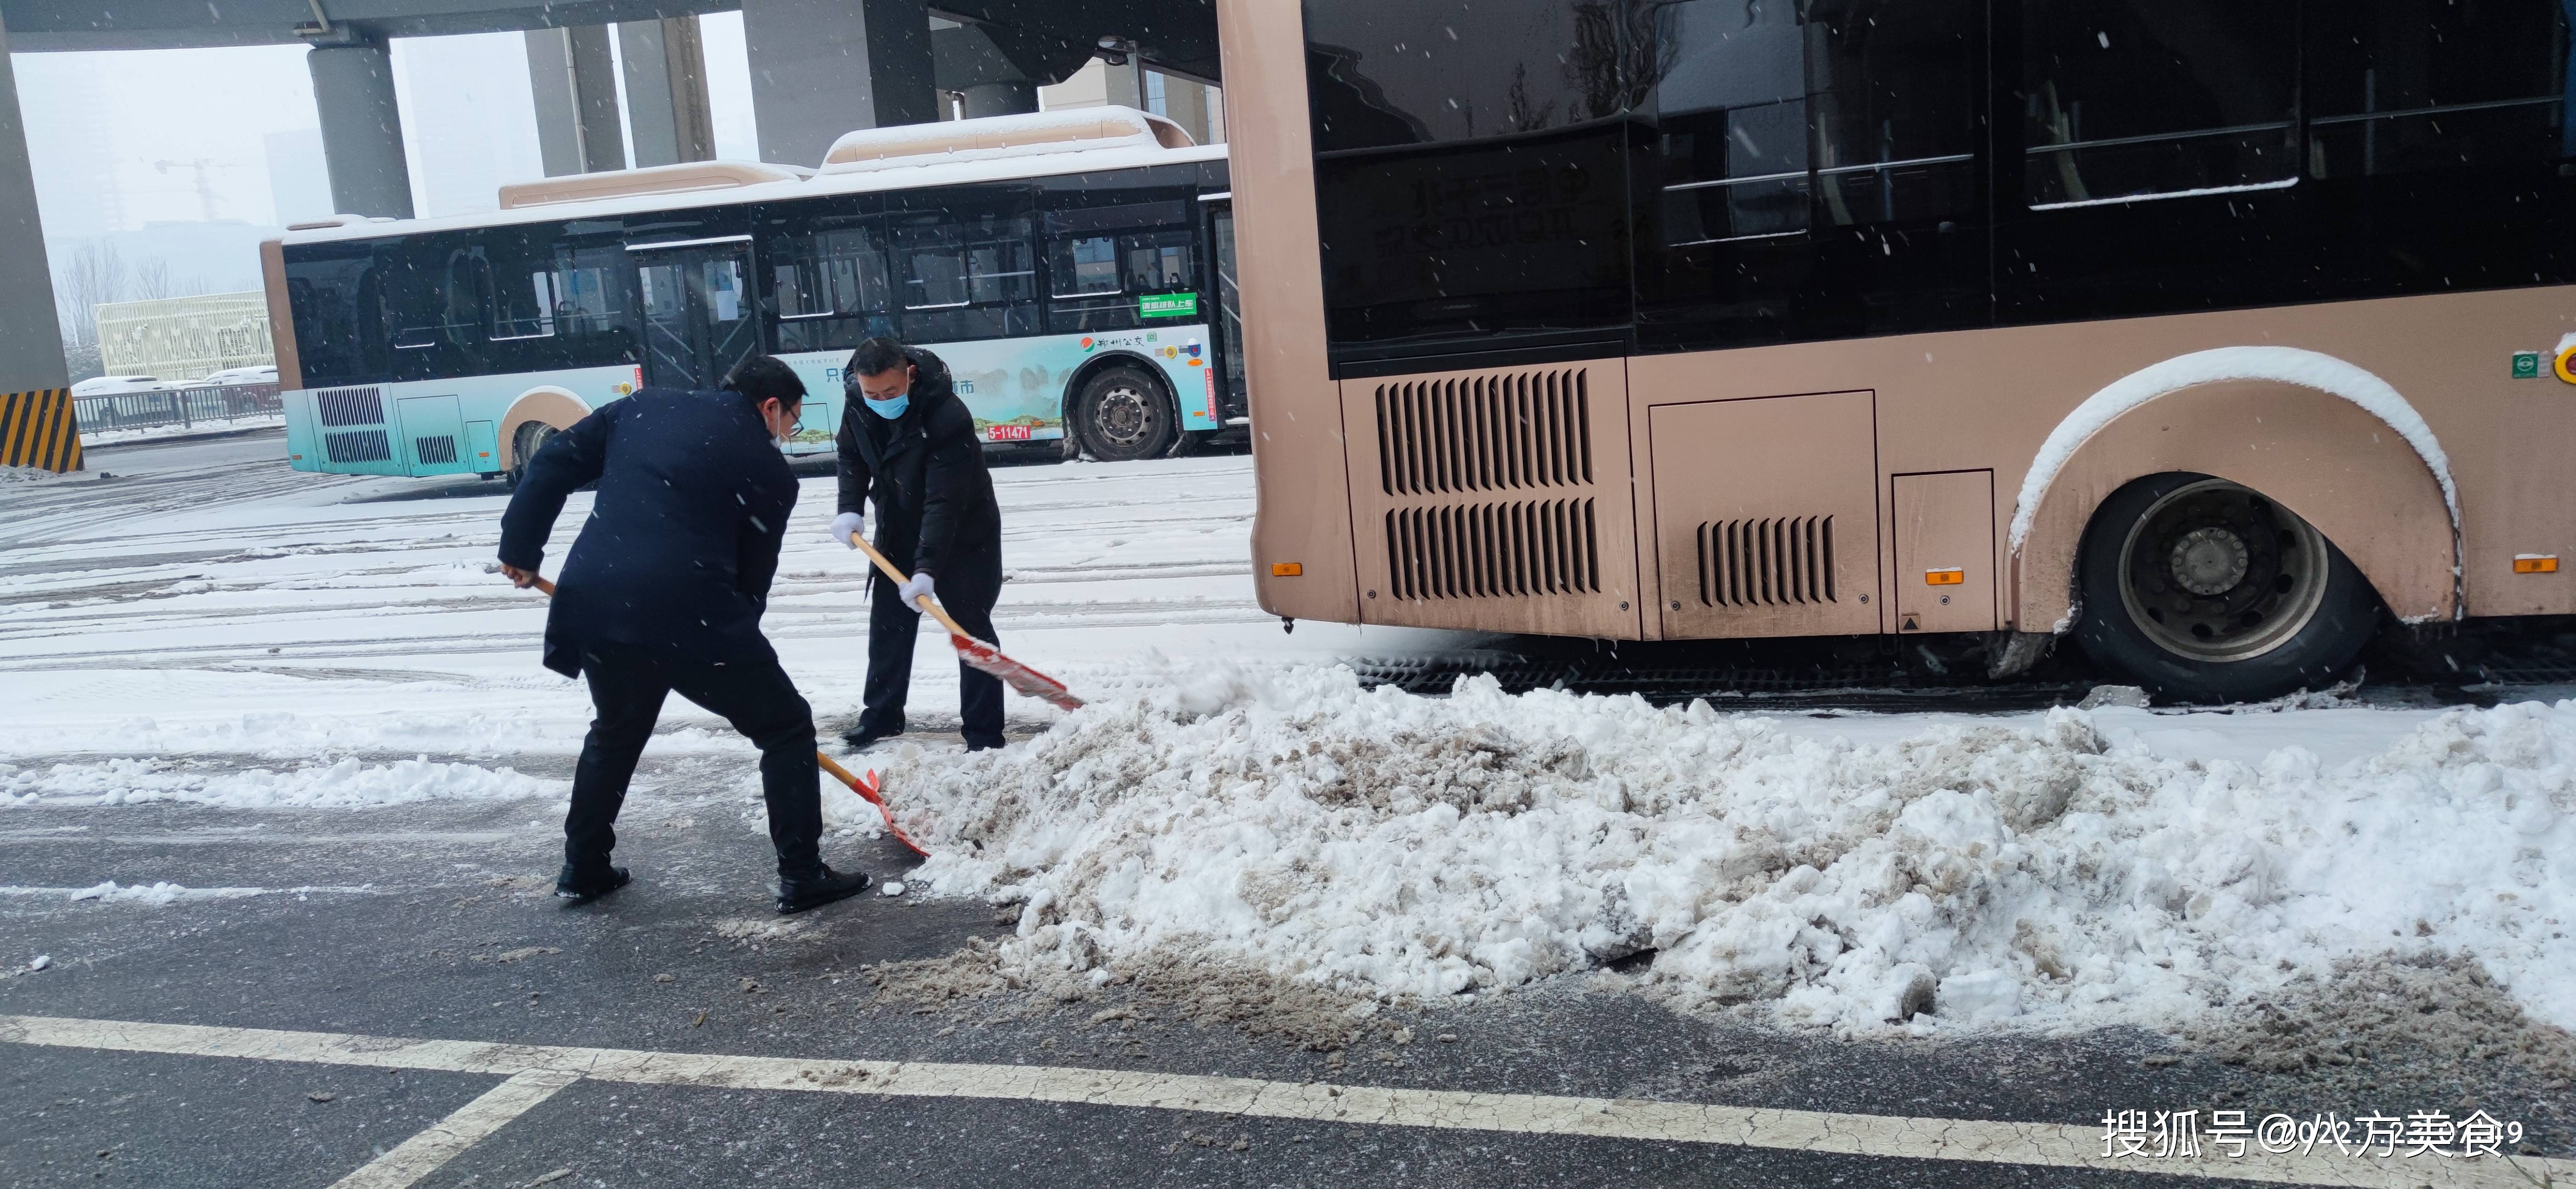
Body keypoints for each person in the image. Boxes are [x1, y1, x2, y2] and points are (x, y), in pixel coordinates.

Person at [497, 355, 872, 915]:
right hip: (692, 613)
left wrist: (520, 549)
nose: (791, 431)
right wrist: (725, 656)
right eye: (793, 418)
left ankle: (583, 867)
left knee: (617, 730)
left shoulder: (641, 408)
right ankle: (802, 873)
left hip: (598, 602)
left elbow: (553, 461)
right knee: (786, 727)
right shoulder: (769, 474)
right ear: (771, 407)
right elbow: (751, 583)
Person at [829, 337, 1006, 752]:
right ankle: (882, 717)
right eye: (872, 393)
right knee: (888, 624)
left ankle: (983, 735)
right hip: (899, 524)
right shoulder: (858, 401)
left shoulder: (947, 416)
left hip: (965, 531)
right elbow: (850, 456)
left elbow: (944, 503)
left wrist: (926, 569)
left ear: (908, 374)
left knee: (969, 626)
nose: (881, 401)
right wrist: (849, 508)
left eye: (890, 392)